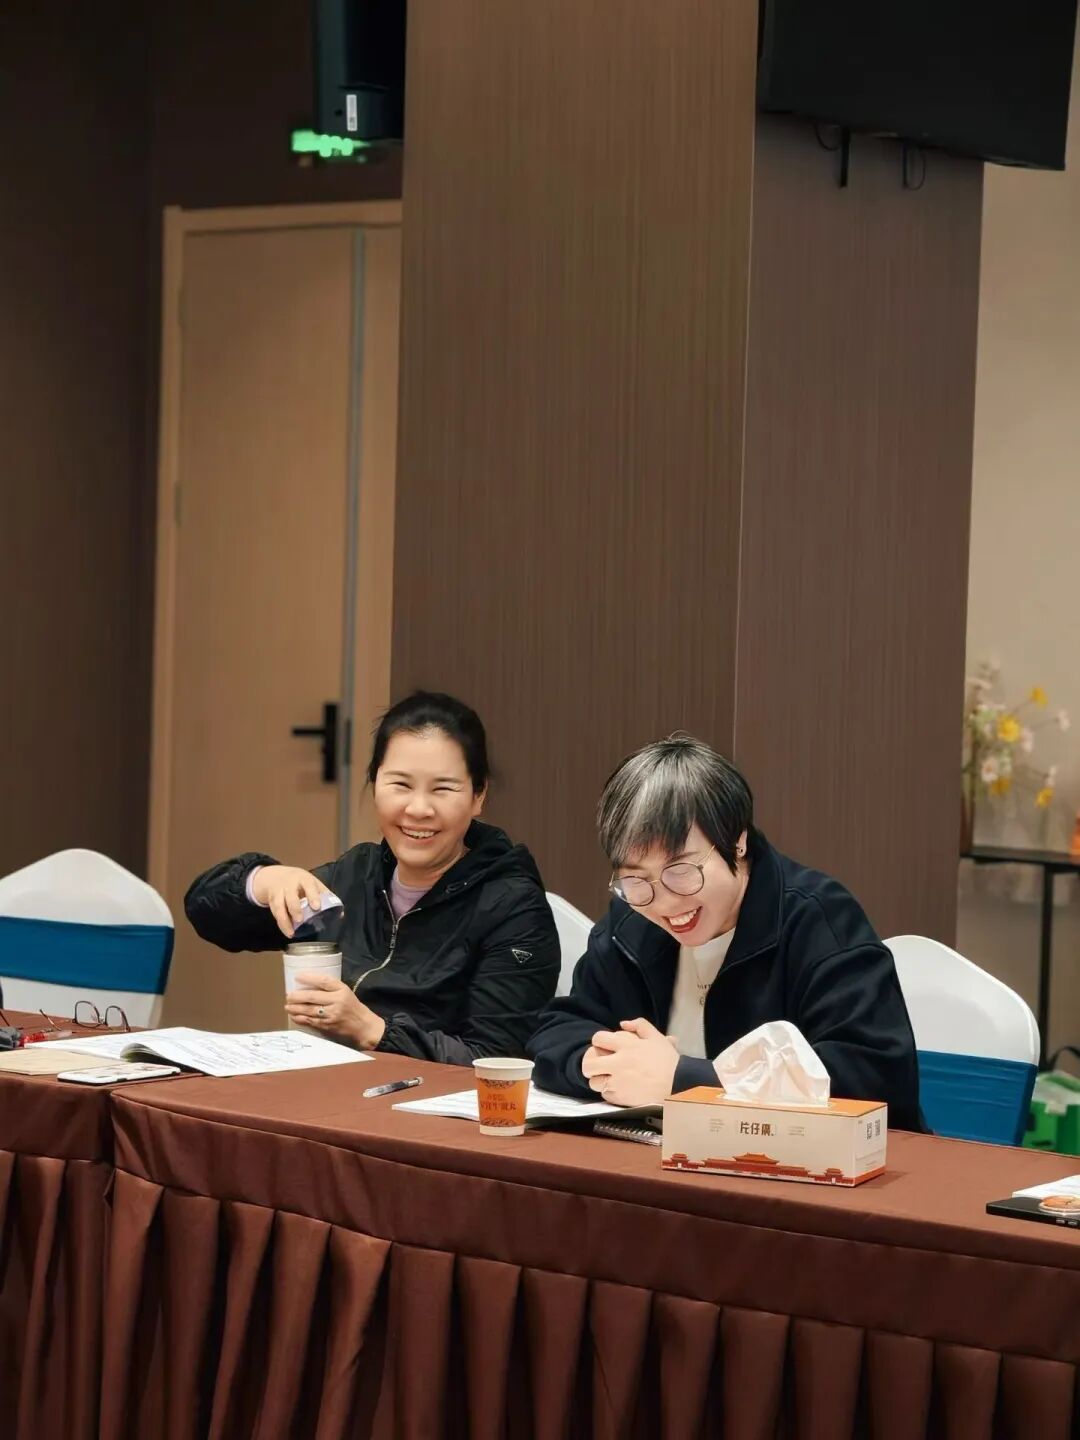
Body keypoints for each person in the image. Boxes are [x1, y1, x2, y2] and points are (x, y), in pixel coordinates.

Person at [529, 735, 924, 1130]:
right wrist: (597, 1062)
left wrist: (683, 1081)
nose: (664, 903)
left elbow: (871, 1079)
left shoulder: (818, 919)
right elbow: (558, 1031)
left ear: (737, 841)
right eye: (636, 879)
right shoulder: (633, 921)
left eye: (681, 871)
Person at [186, 691, 559, 1064]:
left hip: (428, 1098)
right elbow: (209, 916)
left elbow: (497, 1060)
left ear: (478, 796)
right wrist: (264, 880)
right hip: (328, 1082)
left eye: (443, 789)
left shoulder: (513, 905)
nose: (418, 809)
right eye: (401, 785)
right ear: (375, 782)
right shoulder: (356, 875)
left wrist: (373, 1030)